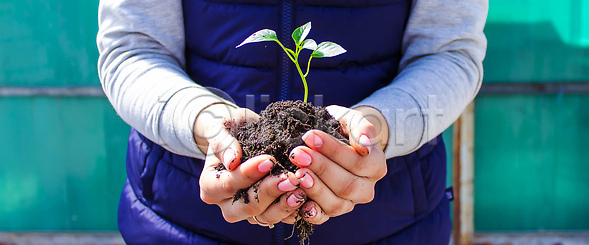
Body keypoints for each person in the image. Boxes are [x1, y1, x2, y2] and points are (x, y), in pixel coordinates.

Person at [97, 0, 487, 244]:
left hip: (391, 220)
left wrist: (375, 127)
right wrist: (206, 123)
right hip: (182, 219)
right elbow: (133, 48)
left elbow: (449, 53)